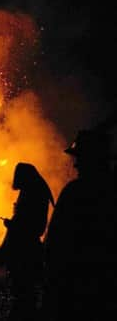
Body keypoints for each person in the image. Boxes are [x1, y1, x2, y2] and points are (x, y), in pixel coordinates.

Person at [45, 129, 116, 320]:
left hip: (75, 287)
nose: (76, 165)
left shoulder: (75, 192)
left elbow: (55, 244)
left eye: (80, 158)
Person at [1, 163, 54, 321]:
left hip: (26, 250)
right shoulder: (36, 190)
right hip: (28, 248)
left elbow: (31, 226)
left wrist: (12, 224)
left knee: (24, 291)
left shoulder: (32, 193)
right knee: (25, 291)